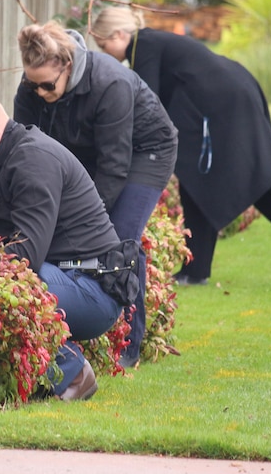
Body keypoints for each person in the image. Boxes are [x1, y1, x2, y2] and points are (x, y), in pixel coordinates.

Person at [0, 88, 127, 401]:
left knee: (5, 285)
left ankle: (73, 374)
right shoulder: (0, 163)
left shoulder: (33, 160)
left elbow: (25, 255)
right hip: (66, 277)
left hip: (95, 290)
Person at [14, 21, 178, 369]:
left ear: (67, 66)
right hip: (90, 150)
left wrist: (83, 218)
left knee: (119, 238)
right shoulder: (32, 88)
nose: (39, 93)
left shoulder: (111, 82)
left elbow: (114, 167)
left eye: (46, 85)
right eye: (33, 85)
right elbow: (24, 151)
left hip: (145, 151)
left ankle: (128, 346)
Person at [90, 6, 271, 285]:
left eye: (104, 44)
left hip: (223, 105)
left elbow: (145, 101)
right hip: (226, 97)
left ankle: (195, 272)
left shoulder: (143, 44)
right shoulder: (148, 42)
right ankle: (195, 271)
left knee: (201, 185)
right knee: (197, 187)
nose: (105, 52)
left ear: (120, 34)